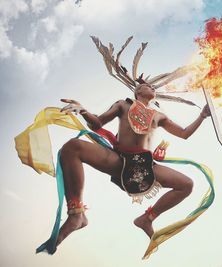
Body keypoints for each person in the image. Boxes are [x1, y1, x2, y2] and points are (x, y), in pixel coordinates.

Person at [56, 82, 211, 248]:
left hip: (146, 165)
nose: (152, 87)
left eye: (153, 87)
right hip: (119, 159)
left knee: (187, 185)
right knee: (71, 147)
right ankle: (76, 214)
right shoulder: (123, 104)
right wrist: (83, 111)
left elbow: (184, 133)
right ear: (137, 91)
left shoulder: (159, 116)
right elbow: (97, 123)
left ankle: (147, 219)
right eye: (147, 85)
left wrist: (202, 115)